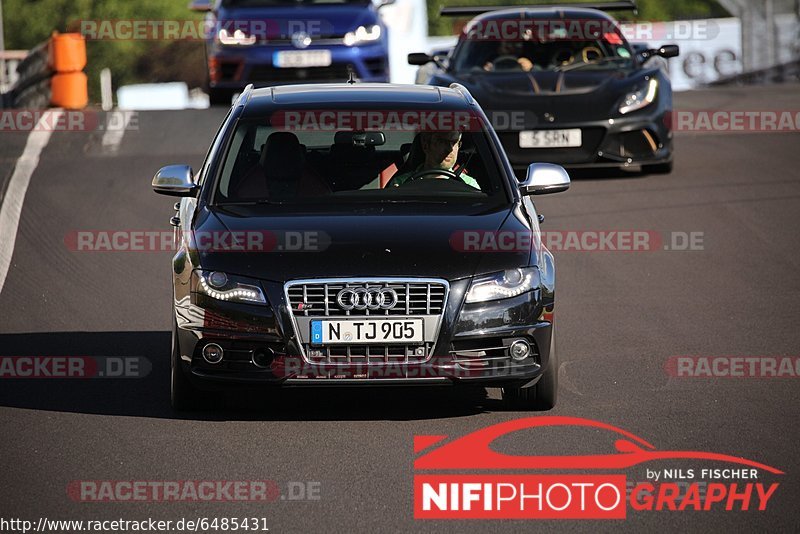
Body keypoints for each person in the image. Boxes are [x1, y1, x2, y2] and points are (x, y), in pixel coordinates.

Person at [387, 131, 480, 189]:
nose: (450, 149)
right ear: (425, 145)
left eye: (454, 142)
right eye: (442, 142)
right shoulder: (401, 183)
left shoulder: (469, 185)